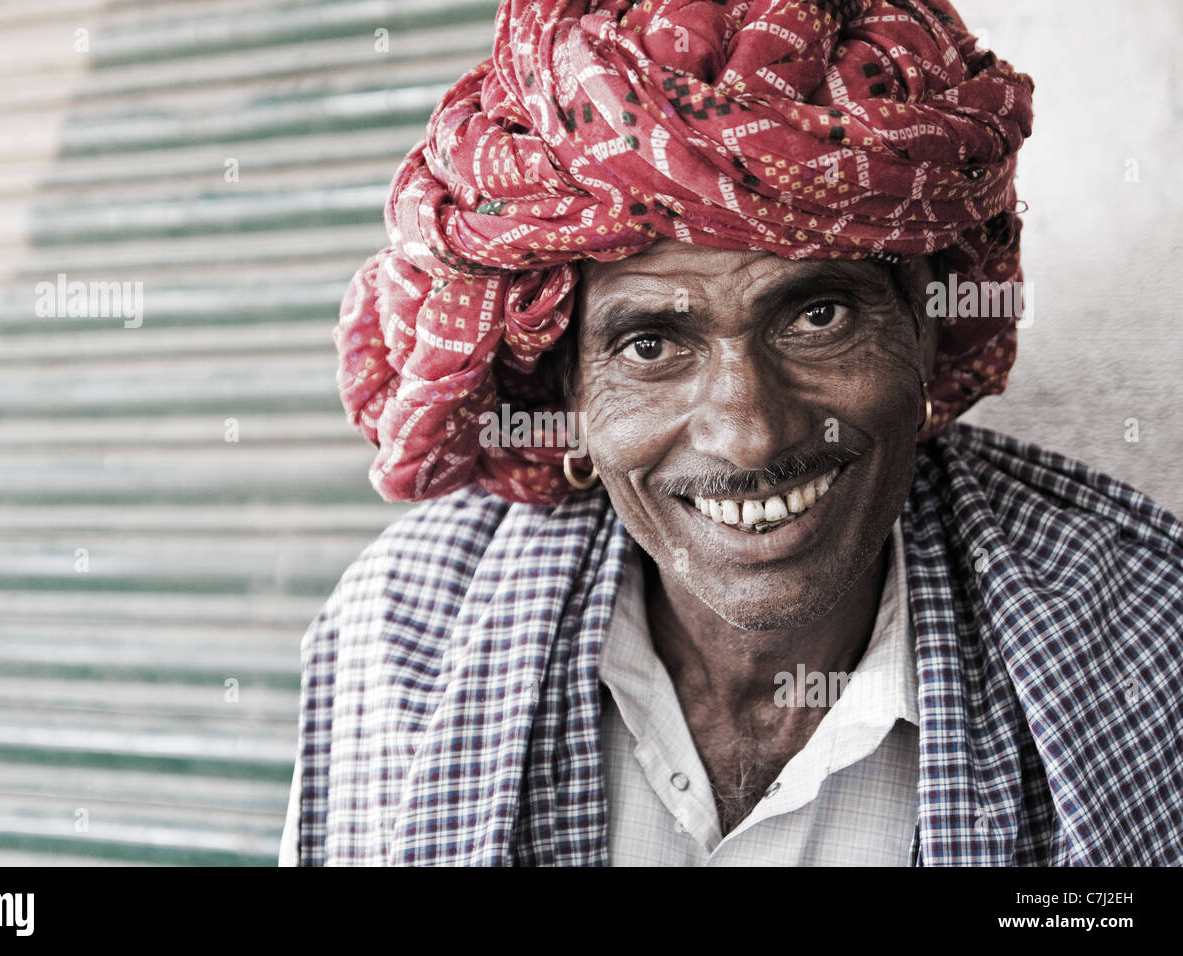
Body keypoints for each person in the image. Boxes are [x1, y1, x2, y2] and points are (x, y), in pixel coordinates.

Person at [279, 0, 1183, 866]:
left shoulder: (1146, 638)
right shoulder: (400, 642)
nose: (750, 437)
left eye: (819, 316)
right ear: (569, 396)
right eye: (649, 344)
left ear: (927, 329)